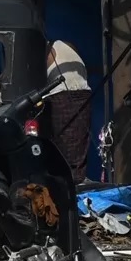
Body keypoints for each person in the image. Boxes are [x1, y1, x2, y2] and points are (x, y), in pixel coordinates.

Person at [45, 39, 92, 182]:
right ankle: (76, 177)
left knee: (62, 143)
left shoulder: (46, 51)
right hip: (83, 93)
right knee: (79, 141)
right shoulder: (66, 45)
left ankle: (67, 182)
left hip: (62, 94)